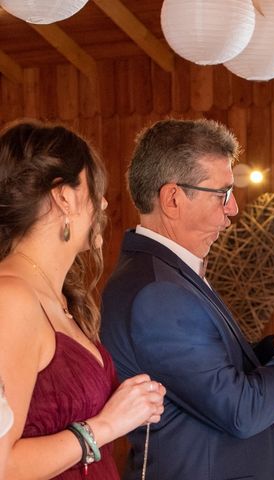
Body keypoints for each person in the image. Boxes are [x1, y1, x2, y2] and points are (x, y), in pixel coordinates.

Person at [100, 118, 274, 480]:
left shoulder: (164, 275)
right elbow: (241, 411)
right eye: (222, 194)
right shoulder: (157, 293)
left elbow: (217, 377)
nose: (233, 209)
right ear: (173, 198)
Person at [0, 120, 166, 479]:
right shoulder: (10, 299)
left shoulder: (56, 297)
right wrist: (106, 425)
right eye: (95, 190)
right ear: (64, 196)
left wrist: (129, 404)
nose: (104, 204)